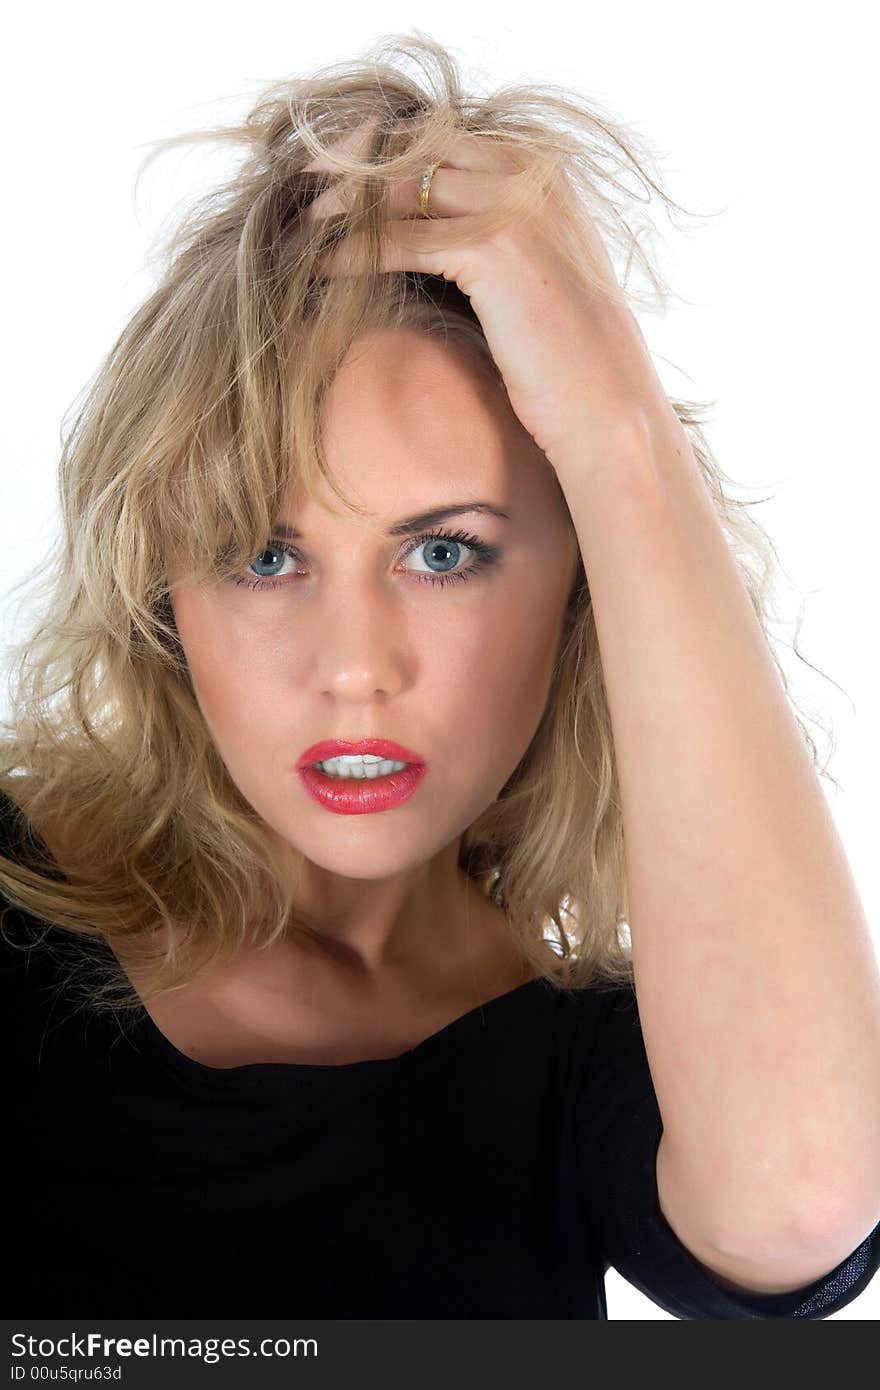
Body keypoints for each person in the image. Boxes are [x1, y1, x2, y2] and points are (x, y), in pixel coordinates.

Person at [2, 31, 879, 1320]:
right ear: (158, 594)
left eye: (445, 550)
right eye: (260, 554)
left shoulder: (589, 1057)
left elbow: (805, 1206)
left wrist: (622, 435)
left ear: (587, 593)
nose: (356, 672)